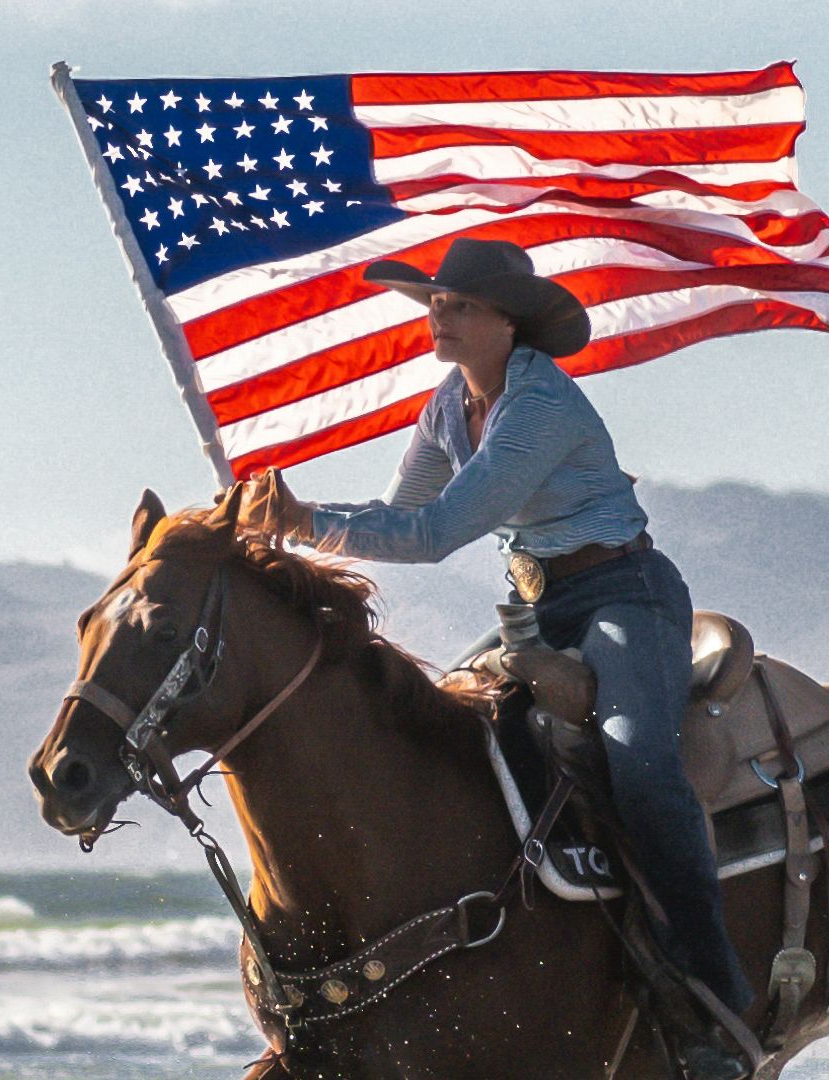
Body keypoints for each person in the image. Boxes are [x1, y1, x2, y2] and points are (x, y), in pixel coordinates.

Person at [240, 238, 754, 1077]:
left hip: (626, 595)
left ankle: (712, 994)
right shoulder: (449, 405)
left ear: (507, 322)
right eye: (436, 304)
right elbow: (400, 512)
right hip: (539, 611)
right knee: (446, 721)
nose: (441, 317)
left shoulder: (539, 409)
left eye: (461, 307)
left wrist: (301, 519)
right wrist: (290, 527)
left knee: (639, 762)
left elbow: (437, 533)